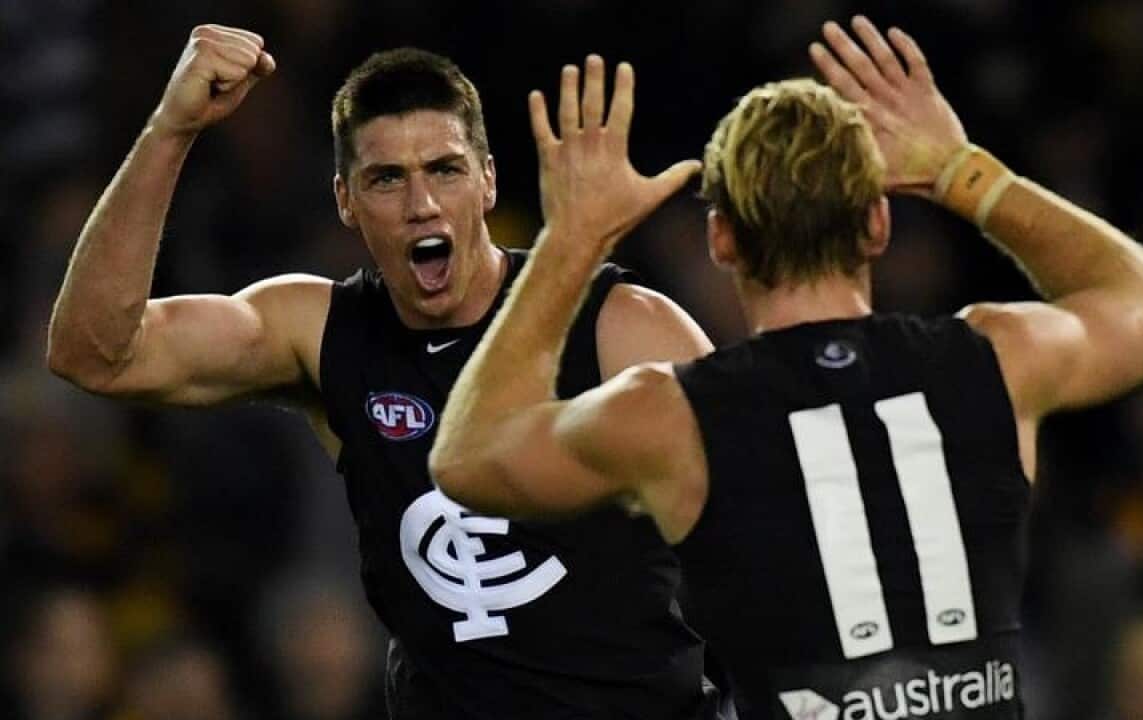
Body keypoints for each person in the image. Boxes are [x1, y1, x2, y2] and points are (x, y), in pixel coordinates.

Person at [429, 15, 1143, 720]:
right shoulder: (997, 360)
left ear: (721, 240)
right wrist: (964, 173)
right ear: (879, 221)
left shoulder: (668, 417)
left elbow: (466, 457)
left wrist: (573, 242)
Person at [46, 24, 727, 720]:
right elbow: (94, 352)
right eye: (387, 180)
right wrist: (171, 128)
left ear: (488, 181)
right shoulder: (318, 332)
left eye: (445, 169)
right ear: (346, 201)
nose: (421, 205)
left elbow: (771, 519)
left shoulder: (623, 328)